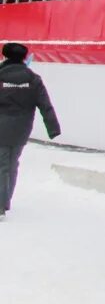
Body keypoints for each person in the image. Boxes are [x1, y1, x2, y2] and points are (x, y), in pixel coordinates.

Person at [0, 43, 60, 219]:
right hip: (22, 129)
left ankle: (1, 205)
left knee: (3, 164)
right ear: (25, 58)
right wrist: (53, 128)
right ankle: (5, 200)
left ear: (4, 56)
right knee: (12, 163)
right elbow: (45, 105)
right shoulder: (33, 79)